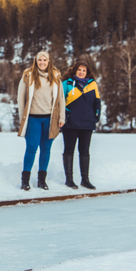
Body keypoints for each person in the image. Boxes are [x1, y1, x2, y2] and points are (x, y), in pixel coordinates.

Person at [16, 51, 65, 191]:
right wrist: (22, 118)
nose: (42, 62)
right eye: (40, 60)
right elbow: (21, 98)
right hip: (33, 119)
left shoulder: (55, 77)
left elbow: (61, 98)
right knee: (31, 148)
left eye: (45, 60)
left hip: (50, 119)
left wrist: (61, 117)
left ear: (49, 61)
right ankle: (25, 180)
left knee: (46, 149)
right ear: (36, 61)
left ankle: (42, 180)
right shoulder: (28, 76)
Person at [61, 59, 101, 190]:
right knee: (69, 151)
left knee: (84, 152)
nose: (81, 72)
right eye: (79, 70)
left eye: (84, 70)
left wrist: (96, 116)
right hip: (70, 123)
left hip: (87, 123)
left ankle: (85, 180)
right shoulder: (66, 84)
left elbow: (97, 102)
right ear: (74, 71)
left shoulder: (92, 84)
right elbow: (59, 103)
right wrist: (64, 115)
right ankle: (69, 180)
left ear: (87, 72)